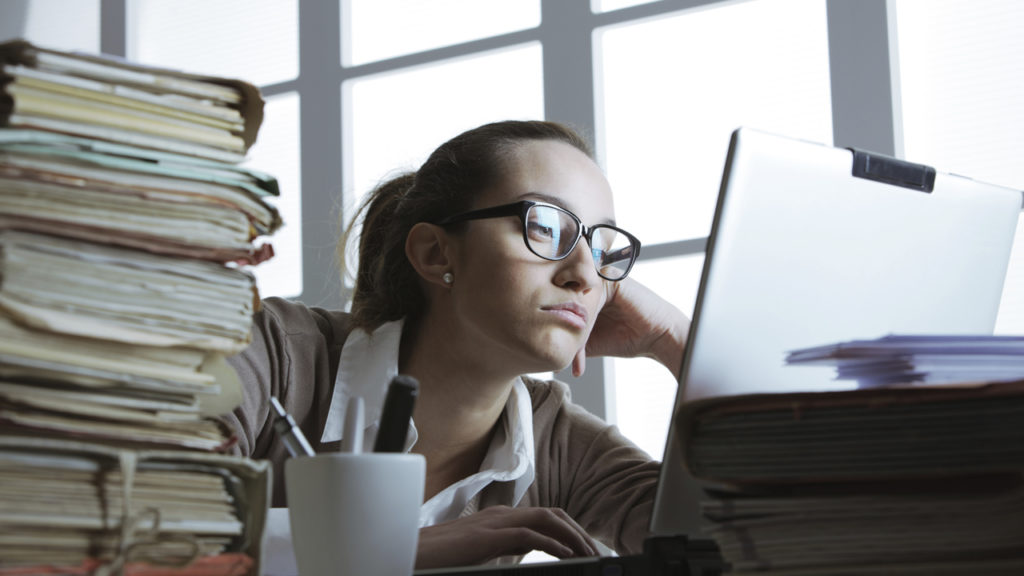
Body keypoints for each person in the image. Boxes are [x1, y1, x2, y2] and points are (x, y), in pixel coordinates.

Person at [222, 120, 690, 571]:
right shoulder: (264, 351)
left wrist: (675, 340)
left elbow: (739, 547)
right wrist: (392, 549)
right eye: (545, 227)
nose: (585, 274)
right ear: (435, 253)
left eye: (603, 248)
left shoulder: (561, 445)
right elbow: (159, 527)